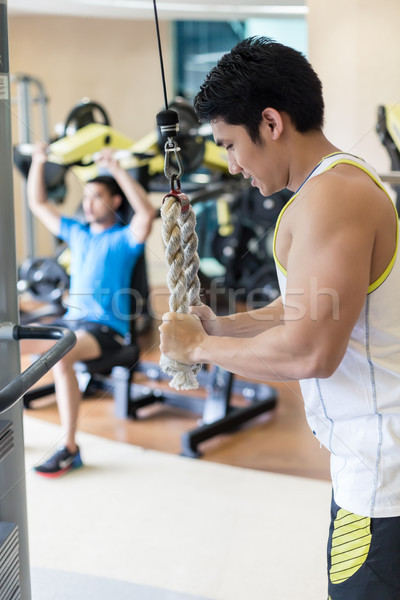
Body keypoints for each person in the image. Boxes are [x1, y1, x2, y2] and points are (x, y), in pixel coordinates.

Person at [159, 37, 400, 599]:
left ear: (270, 122)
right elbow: (300, 310)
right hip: (370, 460)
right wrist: (218, 326)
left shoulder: (331, 199)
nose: (231, 164)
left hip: (383, 472)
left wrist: (197, 349)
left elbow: (311, 352)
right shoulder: (338, 183)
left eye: (230, 144)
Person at [24, 144, 155, 477]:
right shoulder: (77, 233)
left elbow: (145, 213)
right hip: (71, 322)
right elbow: (38, 203)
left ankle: (69, 448)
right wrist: (39, 161)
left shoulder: (125, 239)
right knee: (10, 344)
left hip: (106, 331)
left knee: (60, 353)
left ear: (113, 202)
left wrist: (115, 168)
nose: (88, 202)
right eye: (86, 197)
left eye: (96, 196)